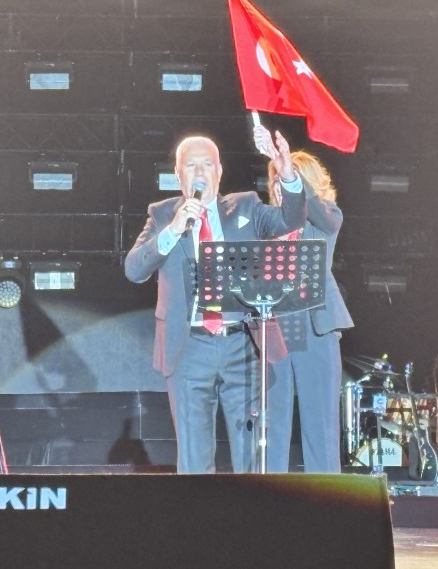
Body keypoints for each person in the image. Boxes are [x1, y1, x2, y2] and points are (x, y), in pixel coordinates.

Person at [124, 132, 306, 474]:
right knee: (193, 456)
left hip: (242, 343)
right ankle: (197, 510)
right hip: (188, 346)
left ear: (219, 171)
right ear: (178, 174)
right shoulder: (162, 215)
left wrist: (288, 175)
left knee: (250, 453)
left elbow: (291, 219)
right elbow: (134, 269)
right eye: (191, 165)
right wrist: (173, 230)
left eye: (207, 164)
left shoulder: (246, 207)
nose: (199, 172)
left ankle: (247, 508)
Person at [257, 126, 354, 473]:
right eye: (275, 180)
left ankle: (325, 497)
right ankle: (270, 495)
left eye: (285, 179)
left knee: (320, 423)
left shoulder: (328, 216)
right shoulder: (267, 222)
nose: (277, 186)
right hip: (274, 328)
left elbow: (316, 211)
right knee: (272, 422)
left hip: (314, 326)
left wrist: (289, 175)